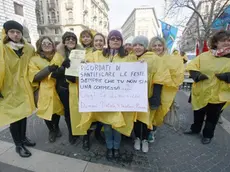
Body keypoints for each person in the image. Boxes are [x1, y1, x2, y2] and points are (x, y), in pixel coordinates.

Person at [184, 30, 230, 144]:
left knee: (212, 117)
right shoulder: (204, 56)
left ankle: (207, 135)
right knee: (198, 113)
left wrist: (227, 76)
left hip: (218, 95)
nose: (227, 43)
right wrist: (198, 76)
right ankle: (195, 129)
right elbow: (192, 67)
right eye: (223, 40)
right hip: (201, 92)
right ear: (215, 42)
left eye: (228, 40)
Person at [0, 20, 36, 157]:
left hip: (24, 88)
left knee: (23, 114)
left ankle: (23, 138)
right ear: (6, 33)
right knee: (14, 118)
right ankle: (18, 145)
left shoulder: (28, 48)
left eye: (18, 32)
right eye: (12, 32)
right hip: (8, 89)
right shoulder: (2, 48)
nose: (15, 35)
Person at [131, 36, 171, 152]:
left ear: (145, 46)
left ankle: (145, 140)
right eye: (135, 45)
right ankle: (138, 138)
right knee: (136, 119)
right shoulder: (130, 58)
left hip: (149, 95)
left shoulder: (154, 58)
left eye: (140, 45)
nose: (137, 47)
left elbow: (160, 77)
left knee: (148, 119)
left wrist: (155, 96)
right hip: (133, 96)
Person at [148, 37, 184, 142]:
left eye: (159, 45)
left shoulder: (170, 59)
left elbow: (177, 73)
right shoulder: (147, 57)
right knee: (147, 111)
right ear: (150, 46)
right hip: (148, 89)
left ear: (163, 46)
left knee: (158, 111)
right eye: (154, 45)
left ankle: (152, 131)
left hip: (163, 91)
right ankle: (145, 131)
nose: (157, 47)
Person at [28, 36, 64, 143]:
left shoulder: (58, 56)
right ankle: (51, 130)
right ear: (40, 45)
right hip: (42, 90)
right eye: (44, 43)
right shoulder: (34, 59)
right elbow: (34, 76)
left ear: (53, 45)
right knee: (45, 111)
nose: (47, 45)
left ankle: (56, 127)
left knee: (57, 111)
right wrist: (48, 69)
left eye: (49, 43)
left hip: (57, 88)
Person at [54, 32, 82, 144]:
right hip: (64, 89)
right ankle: (72, 132)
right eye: (68, 39)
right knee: (68, 112)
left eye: (73, 39)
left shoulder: (81, 53)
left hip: (79, 88)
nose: (70, 41)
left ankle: (81, 130)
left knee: (81, 110)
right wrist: (62, 67)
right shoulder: (58, 55)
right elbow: (53, 73)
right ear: (64, 42)